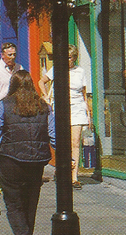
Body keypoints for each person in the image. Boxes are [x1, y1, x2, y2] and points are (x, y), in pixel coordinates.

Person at [0, 70, 54, 235]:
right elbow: (53, 133)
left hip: (9, 159)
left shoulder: (3, 106)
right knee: (31, 200)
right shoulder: (43, 106)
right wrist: (64, 157)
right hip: (36, 160)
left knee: (13, 201)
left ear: (12, 85)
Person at [38, 45, 90, 189]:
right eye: (65, 57)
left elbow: (84, 93)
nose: (67, 60)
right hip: (60, 108)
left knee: (75, 142)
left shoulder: (80, 71)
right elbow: (41, 81)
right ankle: (62, 168)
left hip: (77, 108)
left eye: (70, 57)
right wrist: (45, 96)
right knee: (61, 141)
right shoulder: (56, 69)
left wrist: (88, 112)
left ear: (75, 57)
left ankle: (74, 177)